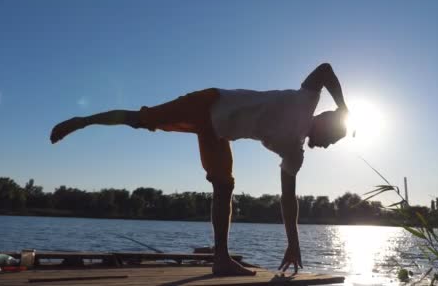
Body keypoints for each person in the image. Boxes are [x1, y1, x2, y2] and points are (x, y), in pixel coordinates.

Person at [50, 62, 349, 276]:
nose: (329, 143)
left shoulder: (294, 153)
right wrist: (345, 108)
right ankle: (83, 121)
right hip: (209, 103)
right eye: (334, 136)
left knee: (224, 185)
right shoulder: (306, 101)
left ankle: (221, 259)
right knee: (143, 119)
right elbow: (324, 69)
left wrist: (293, 245)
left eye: (333, 143)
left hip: (217, 134)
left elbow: (288, 200)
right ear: (326, 118)